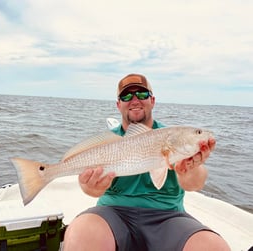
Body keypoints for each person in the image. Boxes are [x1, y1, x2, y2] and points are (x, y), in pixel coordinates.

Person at [63, 73, 230, 251]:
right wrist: (91, 188)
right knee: (81, 234)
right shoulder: (109, 142)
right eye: (126, 96)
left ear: (153, 100)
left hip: (168, 216)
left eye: (142, 94)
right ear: (118, 104)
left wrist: (189, 170)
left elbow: (195, 184)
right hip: (112, 212)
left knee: (213, 247)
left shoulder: (171, 137)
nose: (135, 100)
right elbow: (90, 190)